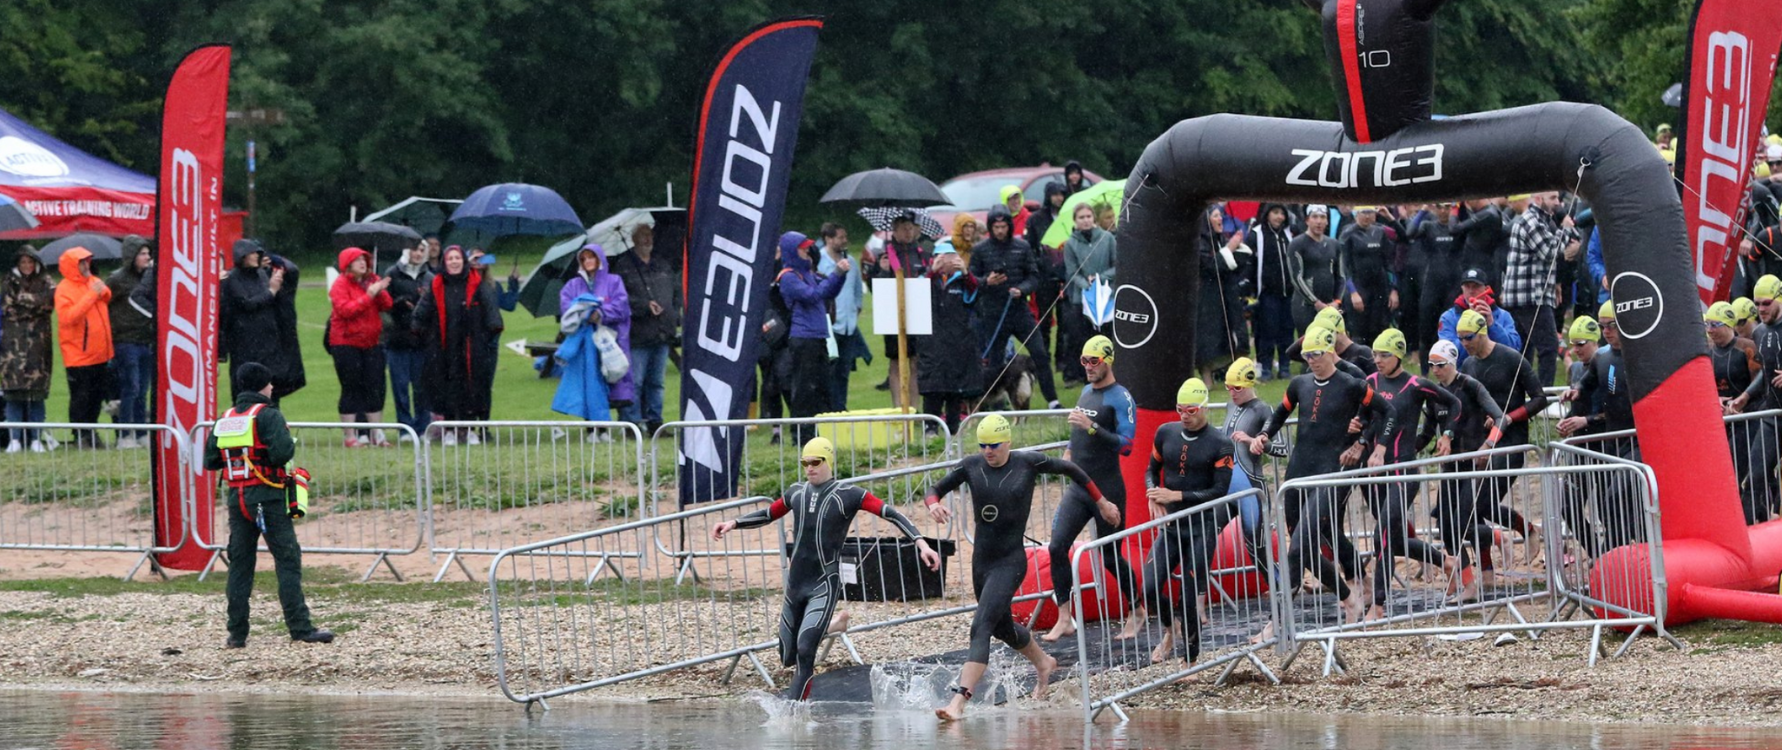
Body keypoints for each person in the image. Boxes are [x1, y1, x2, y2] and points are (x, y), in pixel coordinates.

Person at [713, 438, 938, 700]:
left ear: (828, 462)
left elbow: (891, 514)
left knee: (805, 649)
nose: (809, 468)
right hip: (796, 585)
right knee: (787, 654)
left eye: (815, 462)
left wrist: (921, 543)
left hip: (823, 584)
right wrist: (734, 523)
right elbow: (769, 513)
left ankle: (794, 715)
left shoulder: (850, 494)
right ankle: (832, 626)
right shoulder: (796, 492)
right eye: (805, 463)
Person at [924, 414, 1117, 721]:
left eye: (995, 445)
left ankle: (959, 702)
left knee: (981, 626)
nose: (988, 451)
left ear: (1008, 442)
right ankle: (1044, 663)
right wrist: (933, 503)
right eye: (983, 445)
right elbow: (935, 488)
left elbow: (1072, 470)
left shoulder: (1027, 463)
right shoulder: (972, 466)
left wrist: (1102, 502)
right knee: (1000, 627)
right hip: (981, 562)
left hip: (1011, 561)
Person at [1247, 326, 1391, 624]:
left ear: (1330, 352)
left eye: (1315, 354)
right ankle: (1350, 599)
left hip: (1331, 475)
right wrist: (1263, 435)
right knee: (1308, 549)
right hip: (1298, 473)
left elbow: (1387, 411)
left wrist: (1366, 444)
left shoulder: (1351, 384)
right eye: (1306, 355)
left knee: (1298, 547)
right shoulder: (1299, 384)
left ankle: (1277, 624)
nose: (1310, 360)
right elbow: (1279, 416)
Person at [205, 362, 334, 648]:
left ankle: (236, 634)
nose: (273, 387)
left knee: (240, 565)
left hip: (236, 500)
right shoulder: (269, 415)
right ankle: (300, 628)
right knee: (287, 560)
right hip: (267, 498)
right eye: (270, 383)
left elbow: (210, 460)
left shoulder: (223, 418)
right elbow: (281, 453)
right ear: (263, 385)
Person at [1043, 336, 1141, 643]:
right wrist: (1070, 450)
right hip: (1079, 488)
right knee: (1057, 547)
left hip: (1108, 488)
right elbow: (1078, 433)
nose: (1087, 367)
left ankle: (1137, 610)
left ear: (1108, 361)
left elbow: (1126, 446)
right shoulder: (1085, 392)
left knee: (1111, 556)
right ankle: (1064, 617)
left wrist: (1092, 427)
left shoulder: (1120, 397)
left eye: (1093, 361)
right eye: (1083, 361)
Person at [1361, 328, 1459, 620]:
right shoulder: (1370, 382)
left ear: (1398, 355)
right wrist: (1358, 433)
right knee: (1392, 539)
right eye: (1375, 354)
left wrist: (1447, 435)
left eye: (1384, 355)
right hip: (1376, 471)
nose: (1378, 360)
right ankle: (1445, 560)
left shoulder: (1415, 385)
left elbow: (1454, 403)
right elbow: (1367, 419)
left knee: (1381, 536)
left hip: (1404, 470)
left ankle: (1378, 606)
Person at [1141, 377, 1237, 665]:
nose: (1184, 416)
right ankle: (1171, 631)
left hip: (1201, 528)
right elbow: (1151, 469)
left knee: (1189, 597)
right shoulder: (1165, 433)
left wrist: (1176, 495)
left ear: (1204, 408)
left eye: (1191, 410)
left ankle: (1191, 660)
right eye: (1180, 409)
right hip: (1172, 528)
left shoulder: (1221, 444)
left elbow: (1219, 491)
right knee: (1148, 586)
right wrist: (1152, 493)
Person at [1457, 309, 1548, 574]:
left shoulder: (1510, 358)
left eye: (1469, 338)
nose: (1464, 344)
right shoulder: (1469, 365)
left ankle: (1526, 528)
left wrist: (1508, 418)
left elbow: (1540, 398)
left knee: (1482, 503)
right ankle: (1485, 570)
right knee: (1470, 508)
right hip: (1484, 442)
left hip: (1512, 442)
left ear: (1482, 332)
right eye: (1460, 338)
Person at [1421, 339, 1507, 603]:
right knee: (1445, 528)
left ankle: (1496, 535)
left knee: (1461, 522)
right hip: (1450, 466)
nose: (1436, 370)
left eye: (1441, 365)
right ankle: (1469, 585)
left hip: (1474, 464)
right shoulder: (1434, 394)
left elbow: (1501, 417)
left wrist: (1487, 445)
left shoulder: (1470, 386)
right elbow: (1426, 433)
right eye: (1431, 365)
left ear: (1452, 363)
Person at [971, 205, 1061, 408]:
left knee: (1039, 353)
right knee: (995, 361)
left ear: (1009, 226)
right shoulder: (980, 250)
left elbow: (1035, 276)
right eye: (996, 227)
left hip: (1020, 311)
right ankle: (995, 402)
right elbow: (973, 280)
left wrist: (1022, 289)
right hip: (994, 314)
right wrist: (987, 281)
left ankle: (1052, 399)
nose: (1000, 230)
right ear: (990, 227)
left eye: (1004, 226)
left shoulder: (1022, 247)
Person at [414, 245, 503, 444]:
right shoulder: (436, 285)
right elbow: (421, 315)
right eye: (450, 258)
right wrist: (422, 334)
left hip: (472, 347)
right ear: (445, 262)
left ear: (463, 261)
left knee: (472, 387)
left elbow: (493, 318)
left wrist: (484, 338)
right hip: (443, 347)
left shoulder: (478, 284)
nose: (454, 262)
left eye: (457, 258)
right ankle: (449, 430)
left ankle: (470, 428)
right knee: (446, 387)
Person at [775, 232, 846, 447]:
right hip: (803, 338)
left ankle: (821, 434)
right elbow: (813, 295)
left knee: (823, 387)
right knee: (804, 389)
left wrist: (839, 276)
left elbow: (828, 291)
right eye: (802, 248)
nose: (807, 251)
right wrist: (836, 273)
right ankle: (802, 436)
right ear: (791, 251)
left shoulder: (805, 273)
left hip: (817, 337)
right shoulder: (788, 276)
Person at [1220, 358, 1289, 576]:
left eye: (1237, 388)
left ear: (1249, 383)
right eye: (1228, 387)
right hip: (1225, 487)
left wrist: (1253, 441)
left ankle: (1282, 592)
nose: (1232, 393)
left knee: (1257, 550)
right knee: (1205, 537)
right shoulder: (1230, 405)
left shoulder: (1262, 410)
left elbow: (1283, 448)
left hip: (1251, 488)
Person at [1503, 192, 1579, 389]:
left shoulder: (1545, 221)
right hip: (1528, 295)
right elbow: (1550, 252)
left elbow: (1572, 245)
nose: (1558, 203)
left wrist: (1567, 237)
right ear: (1539, 199)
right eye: (1552, 198)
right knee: (1548, 346)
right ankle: (1544, 396)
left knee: (1524, 350)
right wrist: (1566, 230)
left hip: (1532, 294)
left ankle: (1522, 394)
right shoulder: (1531, 221)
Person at [1702, 301, 1767, 524]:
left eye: (1715, 324)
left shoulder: (1746, 347)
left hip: (1749, 420)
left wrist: (1742, 400)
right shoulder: (1707, 354)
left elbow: (1762, 381)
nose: (1710, 330)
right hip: (1722, 423)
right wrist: (1716, 400)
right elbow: (1702, 386)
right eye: (1707, 324)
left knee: (1746, 475)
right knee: (1727, 476)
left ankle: (1755, 522)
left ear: (1728, 324)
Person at [327, 248, 394, 447]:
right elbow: (346, 310)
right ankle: (350, 436)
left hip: (371, 342)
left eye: (364, 259)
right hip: (346, 343)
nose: (363, 263)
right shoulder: (340, 284)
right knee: (351, 388)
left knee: (375, 387)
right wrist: (368, 295)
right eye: (357, 260)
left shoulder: (372, 280)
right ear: (347, 264)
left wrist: (379, 291)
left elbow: (387, 305)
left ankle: (376, 434)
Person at [556, 243, 630, 422]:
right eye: (584, 258)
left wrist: (600, 313)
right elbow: (567, 307)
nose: (588, 261)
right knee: (588, 383)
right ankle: (591, 426)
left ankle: (605, 425)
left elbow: (621, 306)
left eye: (591, 257)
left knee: (608, 379)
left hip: (608, 341)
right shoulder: (573, 285)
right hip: (584, 345)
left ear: (599, 259)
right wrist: (585, 312)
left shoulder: (614, 281)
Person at [220, 240, 298, 404]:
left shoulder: (261, 274)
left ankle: (270, 415)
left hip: (268, 341)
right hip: (244, 342)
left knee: (269, 385)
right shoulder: (232, 278)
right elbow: (247, 303)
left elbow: (292, 270)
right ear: (243, 256)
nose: (256, 255)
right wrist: (271, 291)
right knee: (245, 384)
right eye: (252, 252)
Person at [865, 214, 931, 408]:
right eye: (903, 228)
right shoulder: (886, 254)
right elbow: (872, 288)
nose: (908, 232)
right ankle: (897, 407)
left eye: (911, 228)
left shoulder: (922, 254)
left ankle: (915, 407)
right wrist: (883, 270)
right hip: (892, 315)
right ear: (894, 229)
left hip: (918, 313)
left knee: (915, 361)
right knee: (895, 361)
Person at [916, 244, 982, 434]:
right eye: (942, 257)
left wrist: (965, 272)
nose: (947, 262)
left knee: (955, 386)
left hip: (957, 340)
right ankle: (930, 426)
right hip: (931, 340)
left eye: (951, 257)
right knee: (932, 385)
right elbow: (917, 296)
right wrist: (932, 272)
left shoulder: (961, 281)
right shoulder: (926, 278)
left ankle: (953, 427)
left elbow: (974, 296)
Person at [1731, 277, 1782, 523]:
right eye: (1757, 304)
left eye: (1766, 303)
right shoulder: (1760, 332)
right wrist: (1745, 395)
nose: (1761, 309)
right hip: (1772, 415)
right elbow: (1766, 371)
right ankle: (1759, 542)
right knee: (1755, 478)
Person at [54, 247, 113, 449]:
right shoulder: (64, 289)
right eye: (81, 262)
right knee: (81, 397)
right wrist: (90, 295)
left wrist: (95, 285)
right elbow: (68, 317)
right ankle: (80, 434)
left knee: (96, 396)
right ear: (72, 265)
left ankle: (91, 430)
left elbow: (106, 295)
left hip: (100, 353)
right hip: (78, 355)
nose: (86, 265)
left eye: (87, 261)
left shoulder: (92, 281)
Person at [2, 247, 54, 452]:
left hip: (38, 347)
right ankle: (14, 439)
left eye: (30, 262)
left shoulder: (46, 281)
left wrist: (23, 299)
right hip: (12, 348)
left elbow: (48, 304)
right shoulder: (8, 281)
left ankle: (36, 439)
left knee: (36, 394)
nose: (27, 266)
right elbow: (9, 310)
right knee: (13, 393)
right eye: (23, 262)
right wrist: (34, 304)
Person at [105, 236, 154, 448]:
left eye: (148, 253)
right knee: (130, 388)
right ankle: (125, 434)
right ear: (132, 256)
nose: (147, 257)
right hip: (125, 341)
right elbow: (105, 304)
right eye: (142, 253)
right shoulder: (117, 279)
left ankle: (141, 431)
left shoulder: (149, 277)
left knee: (143, 390)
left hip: (145, 340)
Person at [1061, 202, 1117, 385]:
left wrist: (1100, 278)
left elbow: (1117, 266)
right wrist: (1086, 285)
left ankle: (1110, 371)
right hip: (1082, 298)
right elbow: (1072, 272)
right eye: (1081, 217)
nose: (1085, 221)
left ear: (1094, 218)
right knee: (1084, 338)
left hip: (1106, 296)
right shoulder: (1070, 244)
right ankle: (1088, 374)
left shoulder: (1107, 238)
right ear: (1075, 221)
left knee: (1107, 335)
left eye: (1088, 217)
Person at [1196, 206, 1253, 384]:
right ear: (1207, 220)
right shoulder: (1200, 243)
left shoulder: (1221, 239)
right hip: (1208, 299)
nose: (1220, 218)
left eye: (1221, 215)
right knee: (1209, 339)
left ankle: (1239, 375)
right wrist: (1229, 248)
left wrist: (1237, 247)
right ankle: (1207, 378)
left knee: (1237, 335)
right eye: (1215, 215)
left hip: (1228, 296)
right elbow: (1210, 266)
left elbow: (1236, 265)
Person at [383, 243, 433, 439]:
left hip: (421, 340)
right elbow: (384, 305)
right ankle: (405, 428)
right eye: (414, 249)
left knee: (421, 387)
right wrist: (399, 304)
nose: (418, 254)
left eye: (422, 250)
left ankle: (422, 427)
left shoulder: (429, 277)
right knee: (400, 386)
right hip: (398, 339)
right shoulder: (392, 274)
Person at [814, 223, 865, 413]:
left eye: (845, 237)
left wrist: (855, 311)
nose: (844, 241)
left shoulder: (850, 261)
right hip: (829, 326)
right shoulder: (819, 261)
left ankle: (840, 408)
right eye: (840, 237)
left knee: (843, 372)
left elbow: (857, 291)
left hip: (848, 326)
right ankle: (827, 409)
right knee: (828, 371)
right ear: (828, 238)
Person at [1408, 204, 1462, 372]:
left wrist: (1456, 214)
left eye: (1447, 207)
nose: (1443, 211)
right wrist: (1423, 210)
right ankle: (1424, 374)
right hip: (1432, 284)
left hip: (1453, 285)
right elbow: (1409, 233)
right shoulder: (1428, 226)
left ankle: (1452, 371)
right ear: (1435, 209)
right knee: (1426, 331)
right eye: (1440, 207)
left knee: (1451, 332)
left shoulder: (1458, 226)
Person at [1436, 268, 1522, 367]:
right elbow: (1449, 356)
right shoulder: (1448, 318)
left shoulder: (1503, 315)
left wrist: (1492, 325)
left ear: (1486, 289)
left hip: (1498, 371)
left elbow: (1514, 350)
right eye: (1467, 287)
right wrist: (1470, 323)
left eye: (1476, 286)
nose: (1471, 291)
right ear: (1462, 288)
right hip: (1465, 374)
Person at [1249, 204, 1296, 381]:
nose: (1279, 217)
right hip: (1267, 293)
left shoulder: (1289, 234)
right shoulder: (1256, 235)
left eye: (1282, 214)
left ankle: (1285, 366)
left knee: (1287, 331)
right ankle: (1266, 367)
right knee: (1267, 331)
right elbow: (1250, 263)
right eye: (1275, 213)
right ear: (1267, 214)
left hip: (1288, 293)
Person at [1338, 206, 1396, 343]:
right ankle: (1359, 363)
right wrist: (1353, 292)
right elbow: (1344, 267)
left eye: (1370, 212)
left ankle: (1378, 363)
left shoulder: (1380, 232)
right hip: (1358, 288)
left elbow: (1389, 264)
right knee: (1359, 332)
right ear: (1356, 214)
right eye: (1363, 212)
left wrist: (1394, 290)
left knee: (1379, 329)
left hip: (1379, 287)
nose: (1367, 216)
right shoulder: (1348, 233)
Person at [1287, 205, 1342, 343]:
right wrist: (1316, 302)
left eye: (1323, 217)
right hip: (1305, 305)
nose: (1319, 221)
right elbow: (1296, 277)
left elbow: (1341, 275)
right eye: (1315, 217)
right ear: (1307, 220)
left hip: (1329, 304)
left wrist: (1337, 301)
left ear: (1327, 221)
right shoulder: (1297, 243)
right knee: (1310, 346)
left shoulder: (1334, 244)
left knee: (1330, 346)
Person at [1285, 306, 1376, 378]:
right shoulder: (1318, 355)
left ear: (1338, 332)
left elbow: (1378, 384)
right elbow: (1291, 353)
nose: (1321, 339)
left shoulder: (1362, 353)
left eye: (1325, 334)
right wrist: (1312, 334)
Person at [1453, 198, 1509, 291]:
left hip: (1480, 267)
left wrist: (1454, 207)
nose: (1468, 204)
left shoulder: (1488, 214)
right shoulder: (1492, 212)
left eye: (1469, 200)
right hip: (1483, 265)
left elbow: (1454, 229)